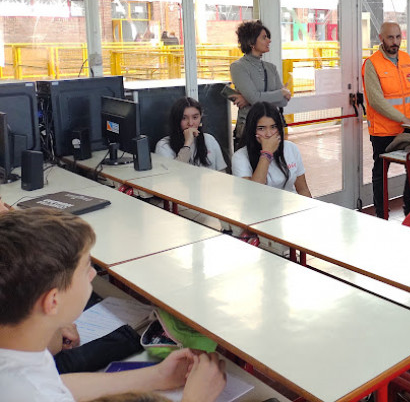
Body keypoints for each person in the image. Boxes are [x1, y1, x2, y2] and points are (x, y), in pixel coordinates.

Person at [0, 208, 226, 402]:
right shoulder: (29, 393)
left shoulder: (20, 350)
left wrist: (158, 376)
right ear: (53, 302)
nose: (93, 275)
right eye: (86, 268)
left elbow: (58, 385)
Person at [363, 21, 410, 218]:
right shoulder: (372, 63)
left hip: (408, 128)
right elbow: (376, 101)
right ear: (380, 38)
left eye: (398, 37)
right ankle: (381, 214)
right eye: (390, 37)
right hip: (383, 131)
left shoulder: (406, 58)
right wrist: (406, 119)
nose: (395, 42)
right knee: (380, 172)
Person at [229, 20, 290, 143]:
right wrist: (281, 92)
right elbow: (256, 98)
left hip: (272, 128)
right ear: (251, 42)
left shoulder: (271, 68)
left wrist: (249, 99)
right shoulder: (238, 67)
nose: (269, 40)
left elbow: (283, 102)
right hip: (250, 128)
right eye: (264, 37)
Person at [231, 102, 311, 196]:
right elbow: (253, 195)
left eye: (273, 127)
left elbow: (303, 189)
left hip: (291, 206)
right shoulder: (240, 157)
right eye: (261, 128)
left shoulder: (291, 148)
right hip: (259, 208)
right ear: (252, 130)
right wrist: (266, 154)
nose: (268, 134)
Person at [155, 97, 226, 171]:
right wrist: (187, 144)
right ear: (176, 120)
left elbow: (222, 172)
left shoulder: (209, 139)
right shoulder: (164, 146)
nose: (191, 123)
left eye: (195, 117)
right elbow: (172, 175)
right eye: (184, 118)